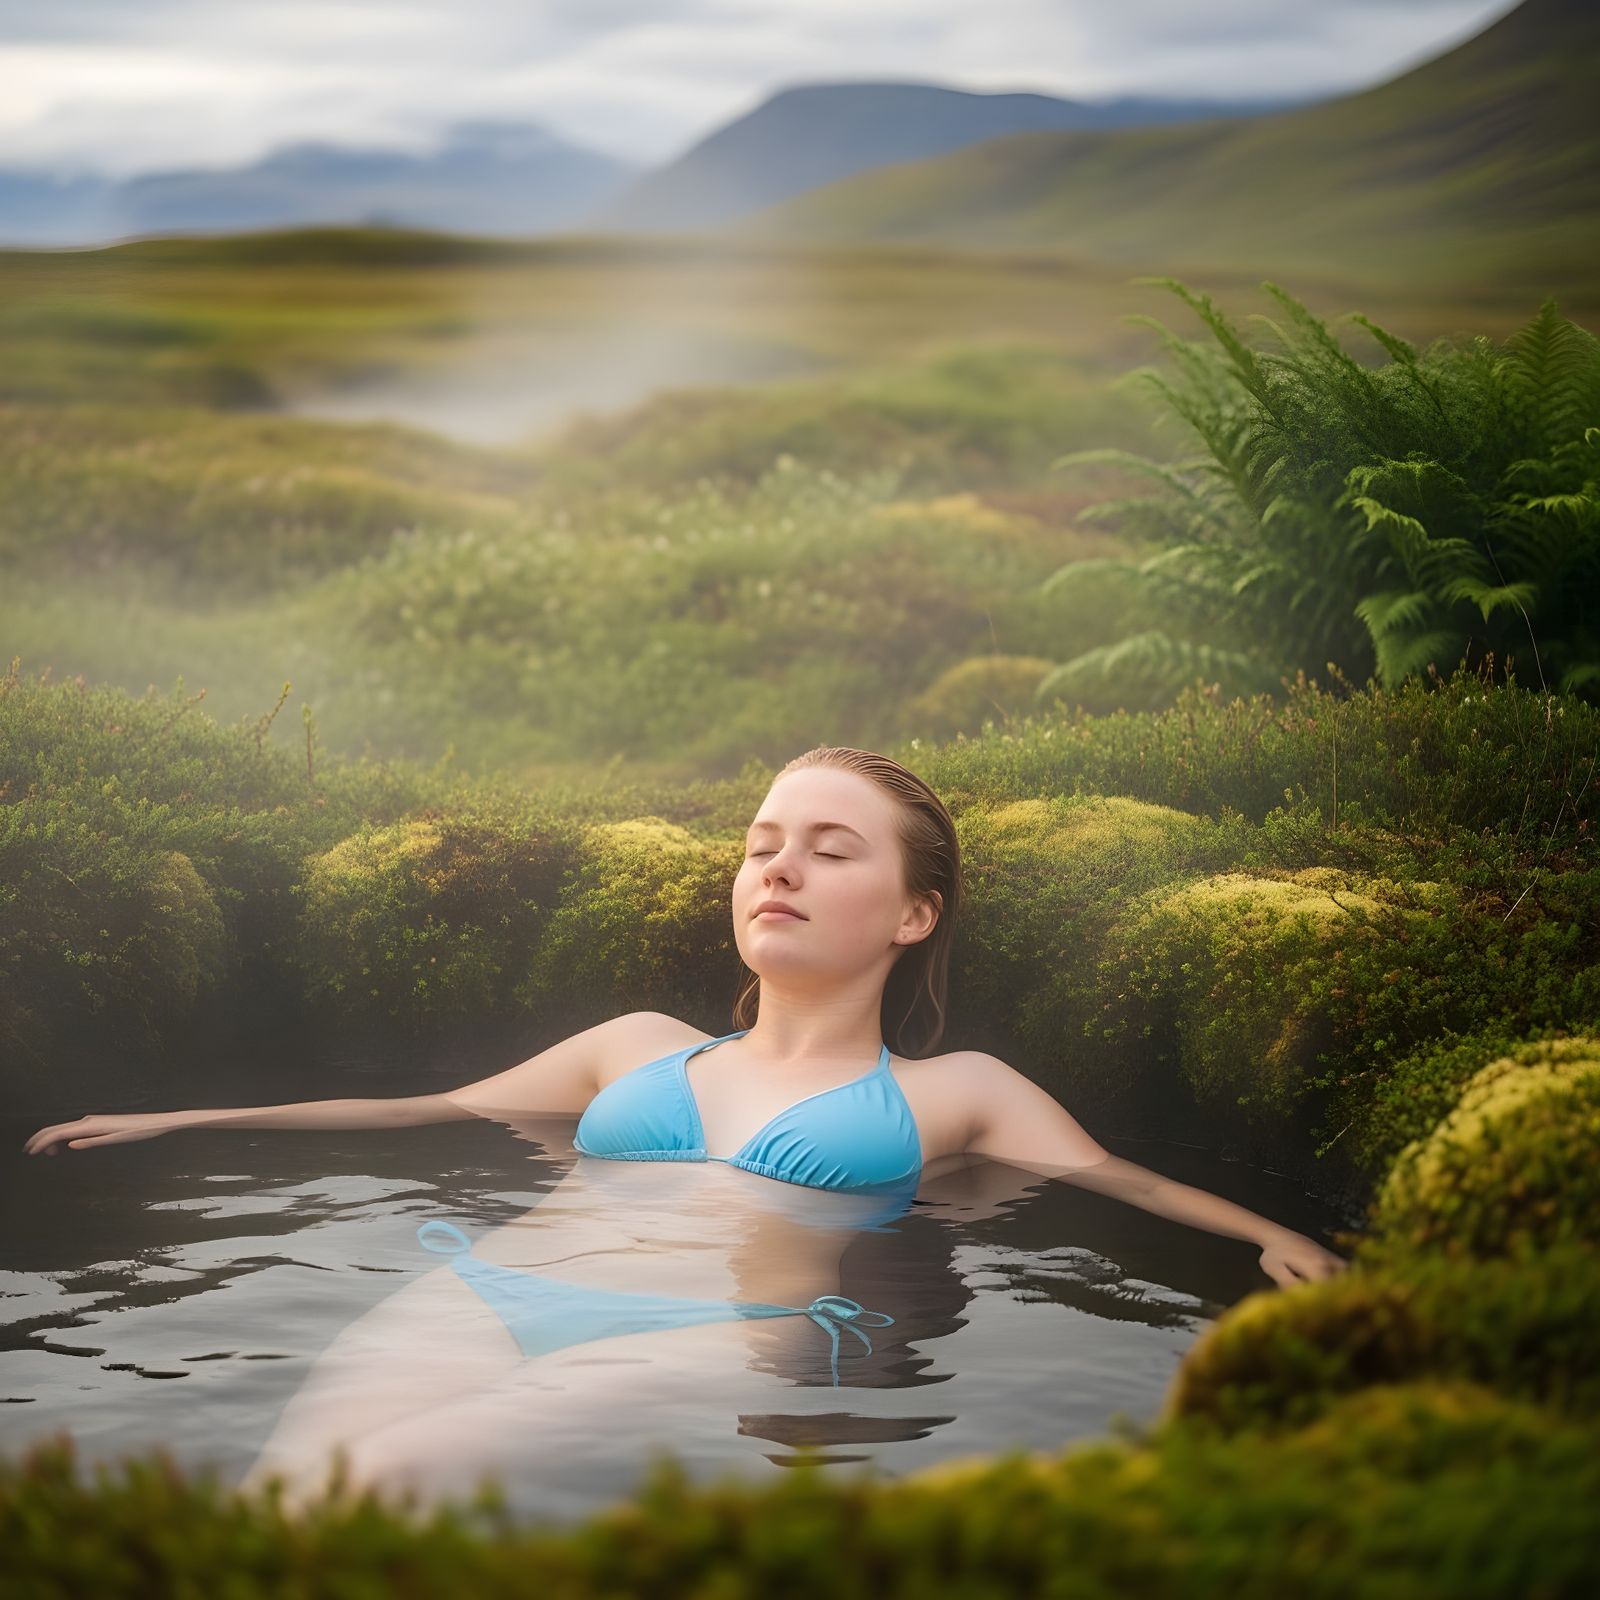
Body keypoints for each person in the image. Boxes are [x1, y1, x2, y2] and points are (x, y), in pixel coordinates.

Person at [24, 746, 1347, 1504]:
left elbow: (1126, 1185)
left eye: (832, 848)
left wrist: (1279, 1238)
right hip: (497, 1287)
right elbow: (423, 1109)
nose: (779, 866)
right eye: (765, 840)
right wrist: (181, 1116)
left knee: (387, 1483)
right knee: (284, 1495)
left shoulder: (958, 1092)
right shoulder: (637, 1047)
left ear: (913, 914)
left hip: (718, 1334)